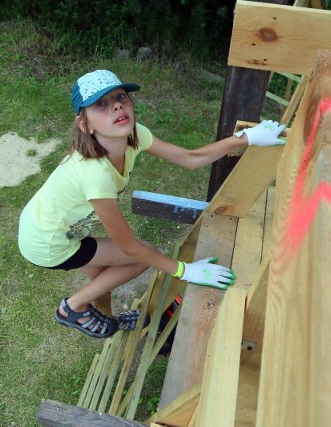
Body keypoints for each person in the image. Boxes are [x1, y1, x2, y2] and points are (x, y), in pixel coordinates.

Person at [18, 69, 286, 339]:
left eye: (120, 97)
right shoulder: (95, 175)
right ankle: (73, 307)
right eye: (101, 104)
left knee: (102, 276)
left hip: (50, 222)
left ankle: (107, 320)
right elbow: (129, 247)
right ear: (85, 125)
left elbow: (190, 158)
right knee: (140, 256)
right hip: (48, 243)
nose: (117, 105)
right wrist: (186, 270)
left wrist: (247, 138)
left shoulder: (135, 135)